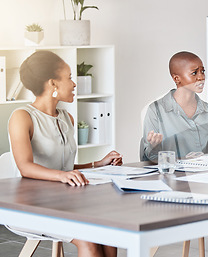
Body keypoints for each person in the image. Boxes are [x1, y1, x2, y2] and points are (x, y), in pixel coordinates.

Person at [8, 51, 122, 257]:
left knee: (109, 230)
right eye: (69, 77)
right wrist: (62, 175)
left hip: (63, 202)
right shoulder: (22, 117)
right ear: (53, 84)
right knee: (88, 239)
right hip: (30, 206)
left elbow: (63, 169)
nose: (74, 83)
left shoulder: (67, 117)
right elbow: (25, 167)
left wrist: (99, 163)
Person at [141, 51, 208, 161]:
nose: (201, 77)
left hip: (203, 176)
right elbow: (149, 159)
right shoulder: (156, 110)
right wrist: (154, 147)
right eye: (194, 73)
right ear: (176, 78)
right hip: (170, 176)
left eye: (202, 71)